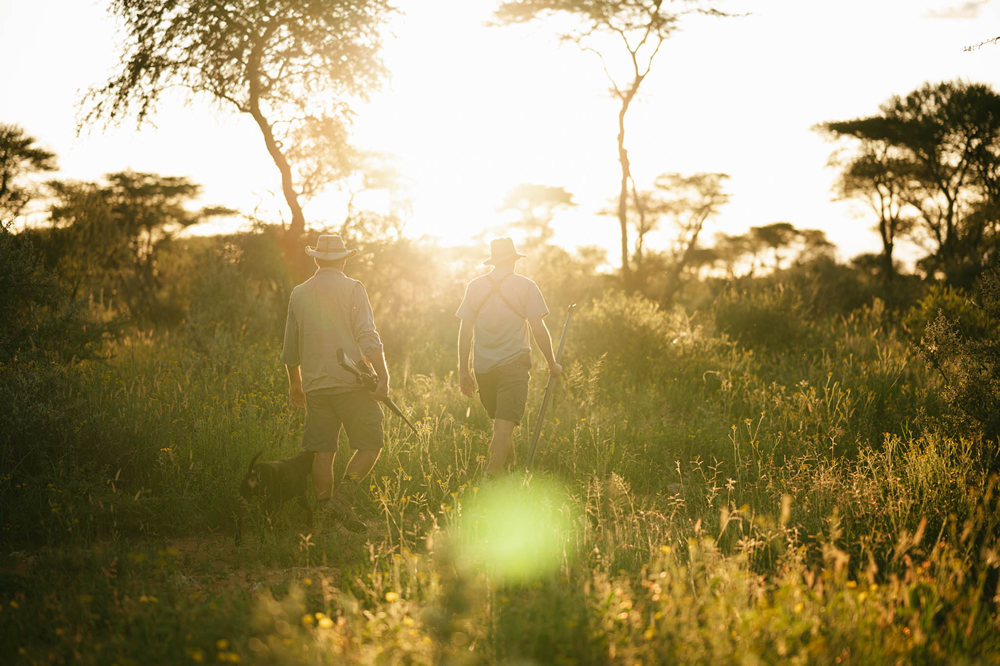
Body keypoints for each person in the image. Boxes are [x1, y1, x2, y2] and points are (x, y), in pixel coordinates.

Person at [280, 234, 389, 532]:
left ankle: (326, 517)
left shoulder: (299, 293)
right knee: (371, 444)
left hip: (315, 385)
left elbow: (290, 346)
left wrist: (295, 383)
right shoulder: (353, 288)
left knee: (322, 453)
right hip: (352, 383)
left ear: (316, 259)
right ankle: (342, 502)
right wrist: (384, 375)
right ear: (343, 259)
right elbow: (367, 335)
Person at [457, 237, 562, 475]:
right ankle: (489, 482)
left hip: (482, 368)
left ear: (494, 261)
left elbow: (465, 332)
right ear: (514, 259)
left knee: (501, 425)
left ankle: (510, 473)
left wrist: (463, 370)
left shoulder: (474, 286)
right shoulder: (526, 286)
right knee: (503, 429)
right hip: (514, 365)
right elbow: (538, 329)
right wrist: (552, 363)